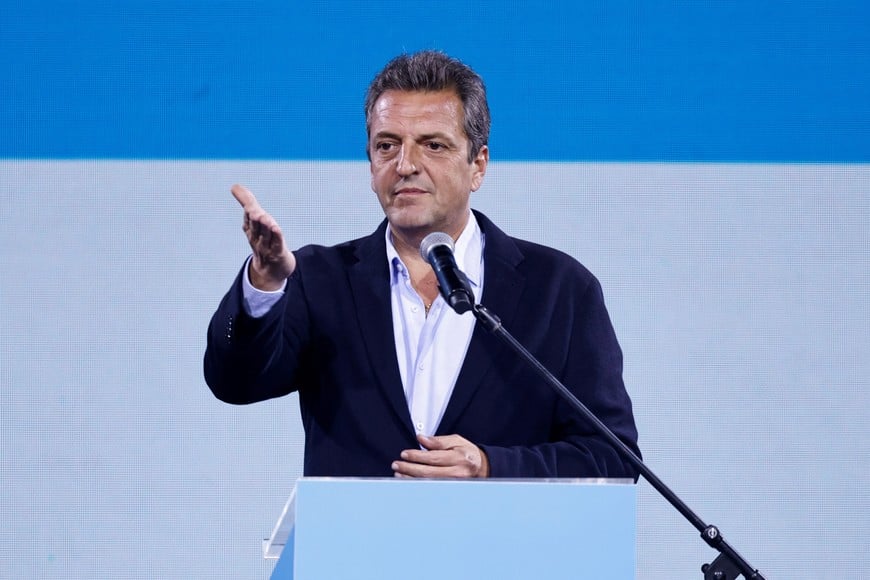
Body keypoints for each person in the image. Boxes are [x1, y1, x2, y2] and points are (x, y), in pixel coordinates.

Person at [204, 50, 640, 479]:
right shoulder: (319, 278)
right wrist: (263, 281)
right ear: (370, 162)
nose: (405, 165)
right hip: (354, 548)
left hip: (500, 547)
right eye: (387, 145)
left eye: (433, 145)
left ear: (478, 166)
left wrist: (491, 466)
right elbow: (236, 384)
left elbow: (612, 456)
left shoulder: (559, 289)